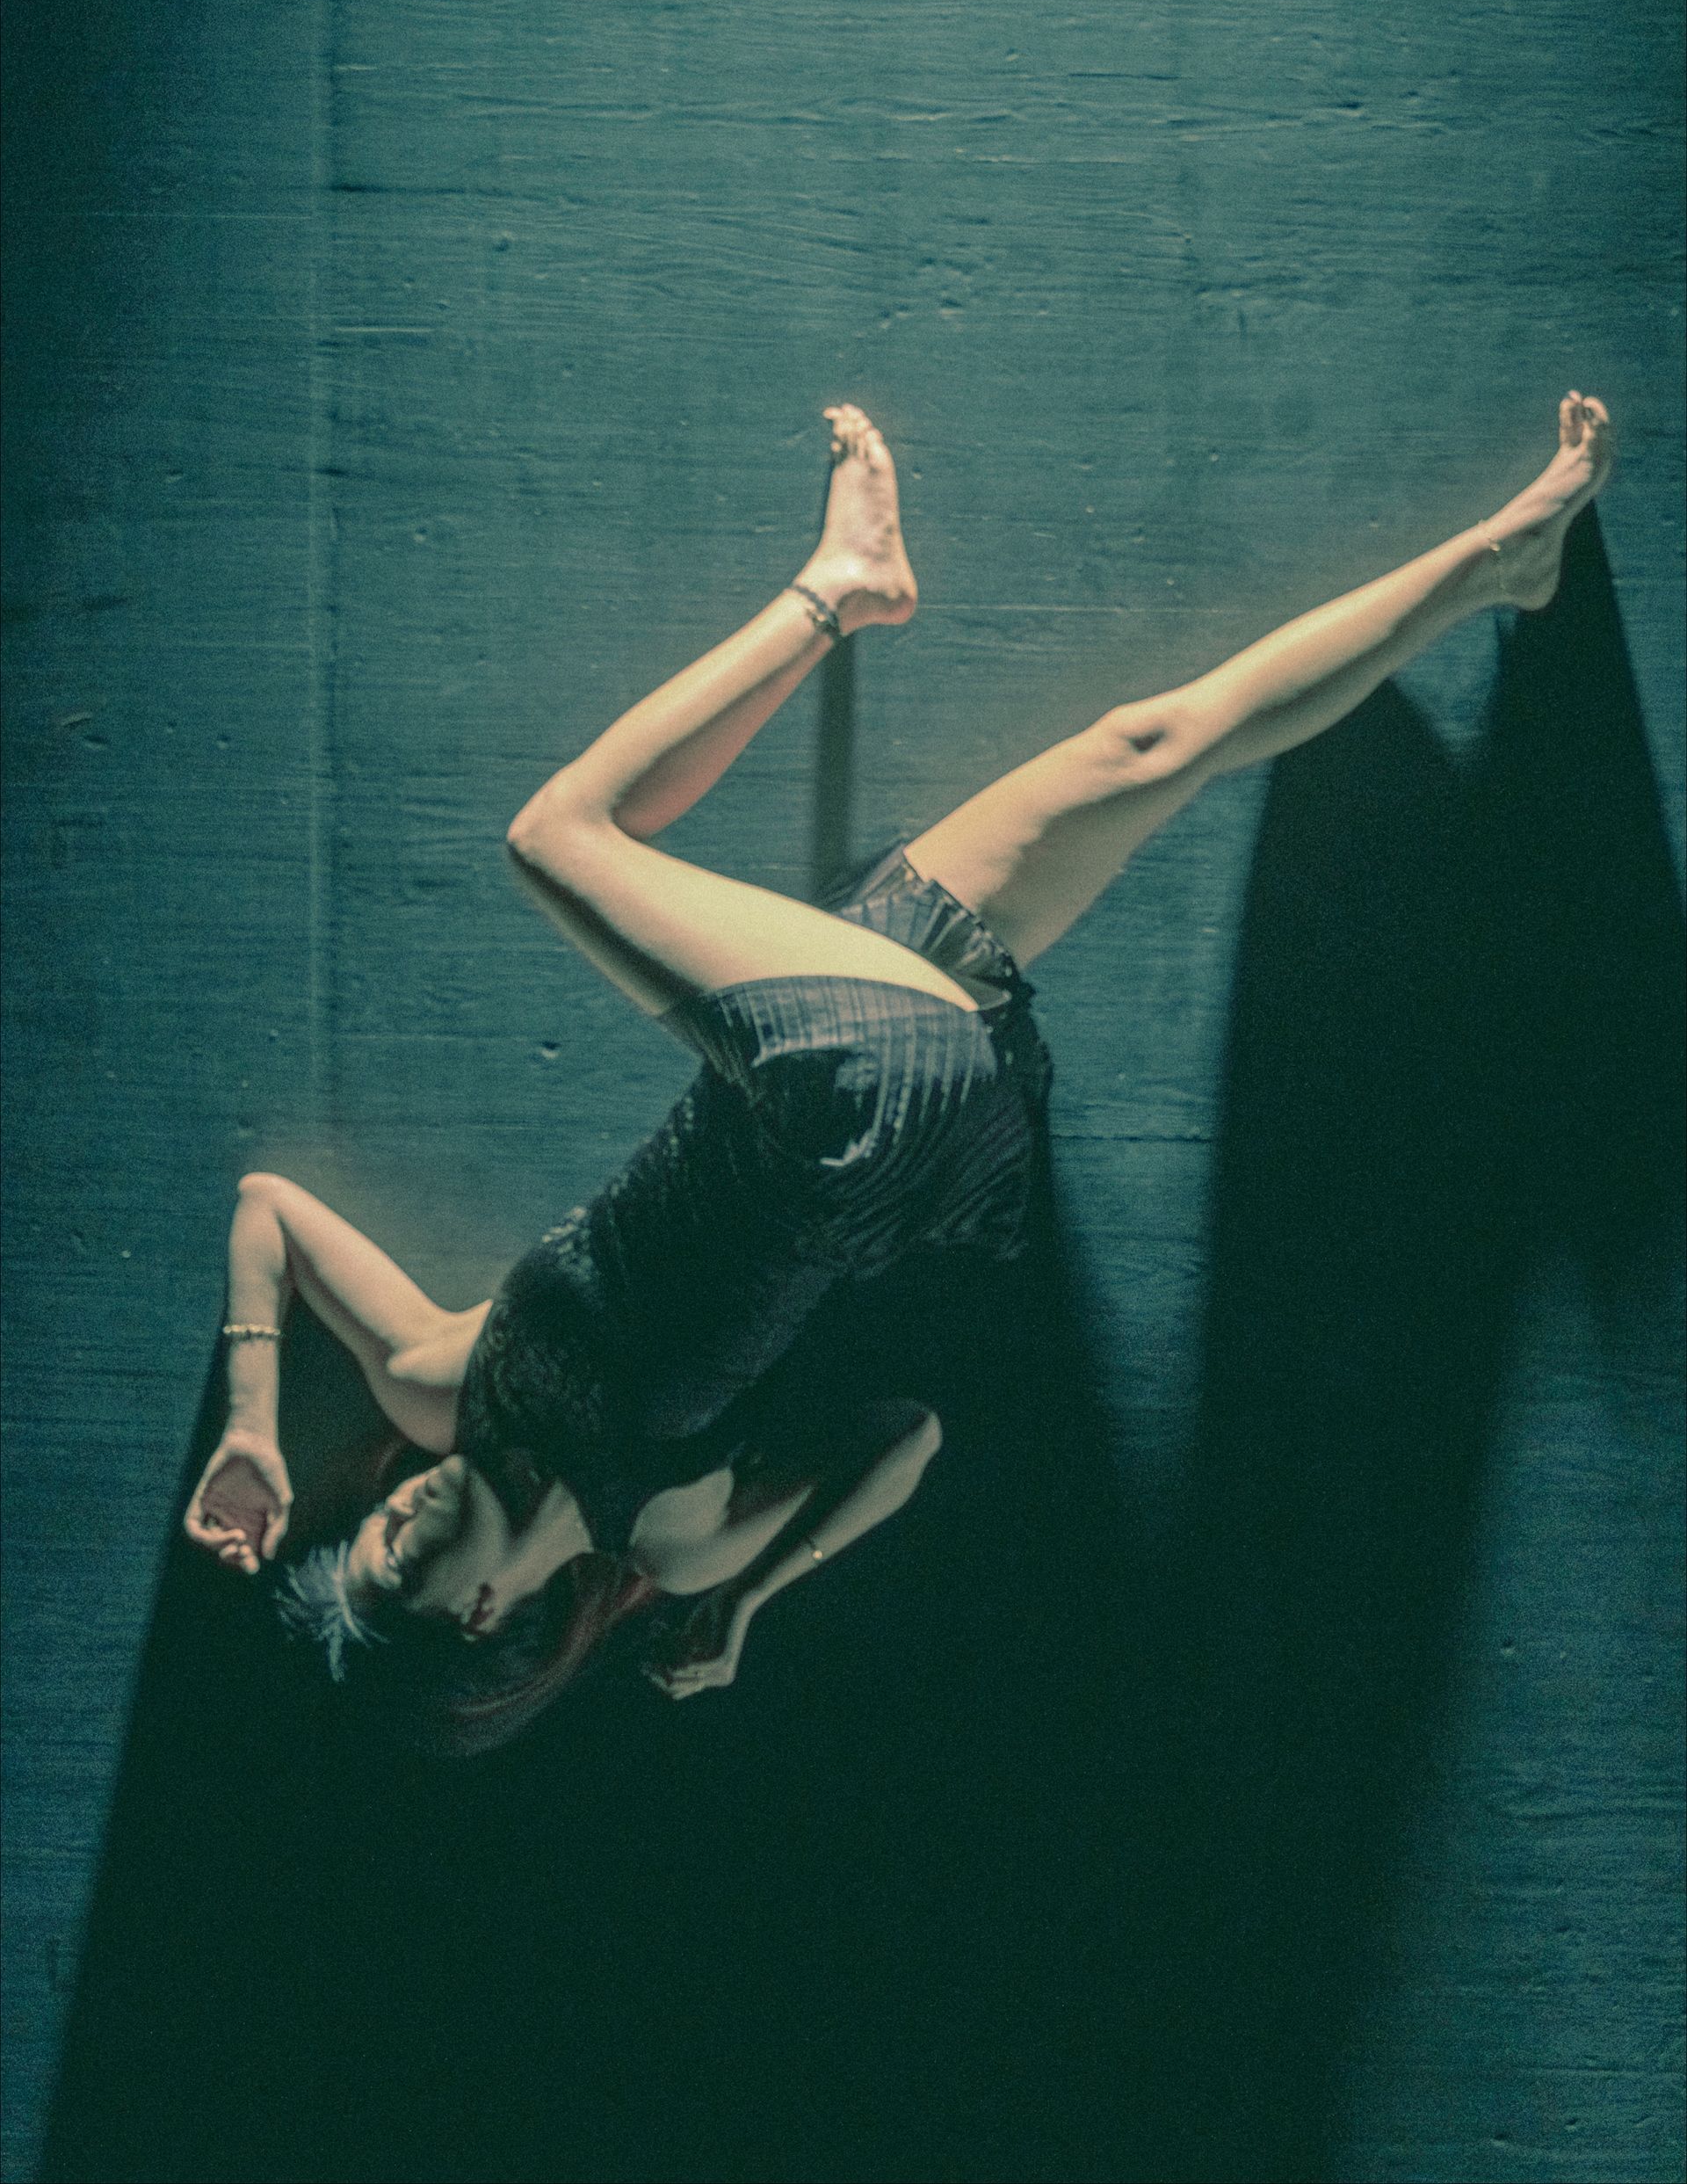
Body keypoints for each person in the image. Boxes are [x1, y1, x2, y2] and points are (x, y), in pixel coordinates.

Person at [184, 392, 1612, 1752]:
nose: (394, 1521)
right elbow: (906, 1443)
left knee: (1155, 740)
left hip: (846, 1063)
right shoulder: (666, 1541)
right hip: (856, 1118)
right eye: (401, 1570)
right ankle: (841, 582)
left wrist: (255, 1428)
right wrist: (753, 1595)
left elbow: (270, 1215)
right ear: (482, 1615)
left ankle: (1506, 561)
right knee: (557, 837)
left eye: (368, 1535)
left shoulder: (445, 1387)